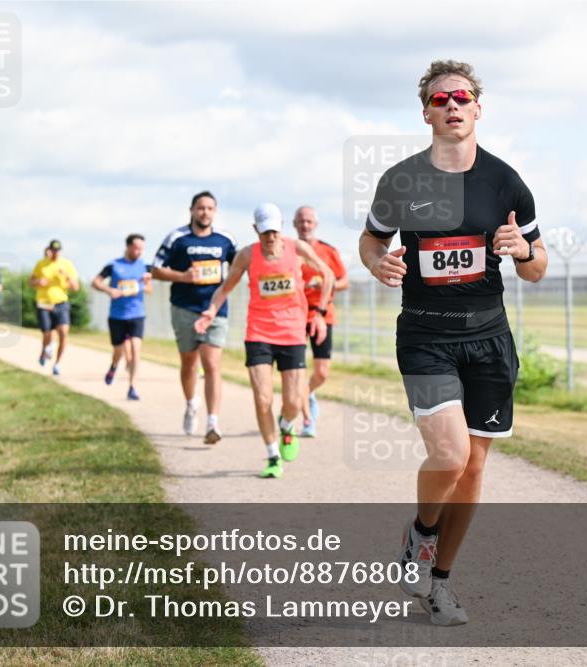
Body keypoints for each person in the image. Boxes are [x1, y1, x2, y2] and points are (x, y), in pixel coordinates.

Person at [359, 60, 548, 626]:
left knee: (472, 470)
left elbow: (539, 268)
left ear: (478, 108)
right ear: (426, 113)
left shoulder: (506, 182)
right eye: (441, 100)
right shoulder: (400, 180)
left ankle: (439, 583)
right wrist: (378, 264)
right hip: (425, 334)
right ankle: (419, 538)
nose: (453, 106)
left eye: (462, 97)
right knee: (450, 453)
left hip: (489, 337)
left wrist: (521, 251)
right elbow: (370, 241)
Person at [194, 203, 334, 479]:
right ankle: (272, 455)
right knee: (262, 398)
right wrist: (210, 311)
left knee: (293, 401)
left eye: (274, 231)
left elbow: (327, 274)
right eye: (264, 232)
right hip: (258, 332)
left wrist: (318, 314)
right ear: (255, 229)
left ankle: (287, 425)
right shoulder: (247, 255)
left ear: (280, 227)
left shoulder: (297, 249)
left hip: (292, 332)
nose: (270, 238)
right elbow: (226, 287)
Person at [151, 191, 237, 443]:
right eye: (200, 208)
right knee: (189, 363)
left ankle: (213, 422)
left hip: (215, 310)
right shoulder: (177, 238)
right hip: (184, 308)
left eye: (210, 208)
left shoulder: (225, 240)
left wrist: (224, 290)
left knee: (211, 364)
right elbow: (155, 270)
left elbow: (239, 267)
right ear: (191, 210)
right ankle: (191, 404)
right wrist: (183, 277)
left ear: (215, 212)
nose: (205, 212)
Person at [292, 205, 349, 437]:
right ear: (295, 224)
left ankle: (307, 393)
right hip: (295, 316)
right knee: (297, 369)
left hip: (322, 315)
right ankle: (307, 421)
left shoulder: (328, 251)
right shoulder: (289, 251)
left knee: (322, 373)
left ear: (315, 224)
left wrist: (323, 283)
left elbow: (344, 282)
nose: (305, 225)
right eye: (301, 221)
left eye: (309, 221)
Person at [93, 234, 152, 400]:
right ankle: (113, 366)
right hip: (117, 315)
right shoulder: (114, 265)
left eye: (141, 249)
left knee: (135, 349)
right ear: (127, 247)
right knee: (118, 350)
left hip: (137, 314)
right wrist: (109, 290)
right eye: (136, 248)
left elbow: (149, 290)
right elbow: (96, 282)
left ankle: (132, 387)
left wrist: (146, 283)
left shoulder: (145, 267)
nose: (139, 252)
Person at [29, 240, 79, 376]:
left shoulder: (66, 264)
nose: (55, 253)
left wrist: (66, 276)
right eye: (53, 250)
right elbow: (31, 281)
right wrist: (38, 281)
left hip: (61, 303)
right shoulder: (41, 264)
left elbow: (75, 287)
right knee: (47, 333)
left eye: (58, 250)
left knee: (63, 332)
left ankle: (57, 363)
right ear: (50, 250)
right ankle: (44, 351)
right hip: (44, 303)